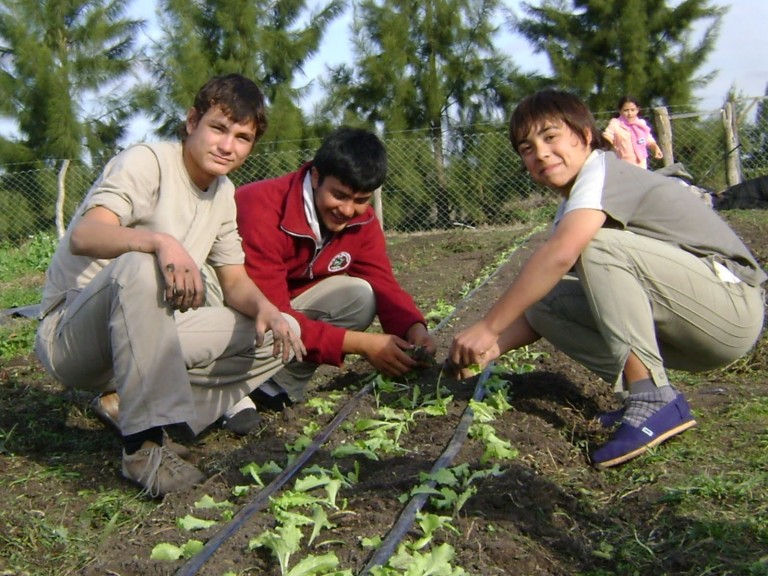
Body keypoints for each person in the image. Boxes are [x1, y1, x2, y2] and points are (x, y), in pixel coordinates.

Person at [448, 90, 766, 469]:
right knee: (548, 301)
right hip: (693, 323)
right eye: (526, 148)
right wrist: (488, 350)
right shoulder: (574, 202)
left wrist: (488, 325)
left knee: (594, 245)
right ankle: (644, 394)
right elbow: (543, 308)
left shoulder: (603, 172)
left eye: (550, 137)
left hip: (732, 308)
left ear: (584, 135)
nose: (540, 153)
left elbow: (561, 253)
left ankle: (652, 398)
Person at [34, 74, 306, 497]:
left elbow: (234, 281)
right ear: (193, 121)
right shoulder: (147, 161)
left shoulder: (223, 193)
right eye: (218, 128)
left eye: (242, 137)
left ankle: (157, 417)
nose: (227, 146)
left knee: (278, 330)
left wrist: (269, 310)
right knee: (141, 267)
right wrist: (160, 242)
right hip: (74, 334)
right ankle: (143, 449)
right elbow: (85, 235)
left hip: (148, 340)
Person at [230, 126, 436, 418]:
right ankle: (228, 385)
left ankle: (276, 387)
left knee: (360, 296)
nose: (348, 210)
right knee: (271, 321)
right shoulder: (262, 206)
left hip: (287, 310)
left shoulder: (361, 221)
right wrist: (363, 345)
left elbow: (383, 282)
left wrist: (414, 329)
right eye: (339, 196)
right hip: (243, 307)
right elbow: (274, 310)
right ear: (315, 177)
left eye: (361, 200)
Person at [602, 95, 663, 169]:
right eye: (626, 110)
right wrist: (608, 143)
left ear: (637, 110)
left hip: (641, 165)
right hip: (623, 166)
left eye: (632, 110)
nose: (630, 113)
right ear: (620, 111)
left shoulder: (641, 124)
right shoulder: (615, 123)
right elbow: (607, 136)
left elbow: (649, 140)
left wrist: (655, 148)